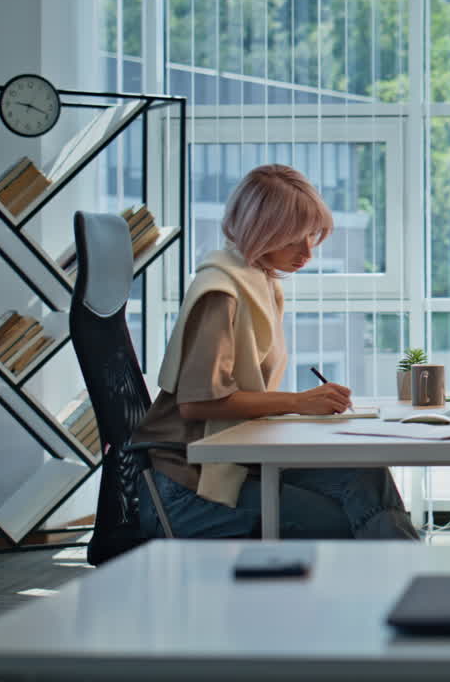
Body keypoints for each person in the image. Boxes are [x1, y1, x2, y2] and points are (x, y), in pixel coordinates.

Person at [132, 164, 419, 540]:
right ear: (259, 233)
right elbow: (196, 404)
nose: (307, 254)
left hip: (230, 461)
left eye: (311, 238)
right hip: (187, 489)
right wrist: (298, 402)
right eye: (292, 241)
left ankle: (407, 581)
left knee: (365, 473)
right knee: (348, 518)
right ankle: (408, 582)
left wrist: (300, 404)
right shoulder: (220, 293)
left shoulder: (256, 280)